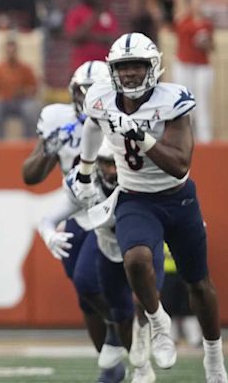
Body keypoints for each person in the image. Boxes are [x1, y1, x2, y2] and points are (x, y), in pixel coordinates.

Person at [73, 32, 227, 382]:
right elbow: (93, 127)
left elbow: (179, 164)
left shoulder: (172, 100)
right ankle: (159, 322)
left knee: (199, 284)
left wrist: (139, 134)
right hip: (135, 197)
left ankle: (214, 359)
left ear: (152, 67)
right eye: (123, 67)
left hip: (178, 198)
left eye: (136, 66)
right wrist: (84, 170)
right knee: (136, 259)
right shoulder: (99, 96)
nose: (128, 74)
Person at [23, 61, 127, 383]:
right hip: (76, 212)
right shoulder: (59, 119)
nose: (88, 98)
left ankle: (124, 324)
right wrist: (49, 148)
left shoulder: (119, 117)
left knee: (86, 281)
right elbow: (30, 176)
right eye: (83, 91)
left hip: (112, 211)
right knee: (85, 298)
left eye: (95, 92)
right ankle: (111, 364)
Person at [39, 140, 164, 382]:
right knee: (88, 285)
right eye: (106, 163)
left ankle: (156, 338)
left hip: (144, 243)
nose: (112, 171)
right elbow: (48, 219)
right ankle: (132, 354)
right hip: (107, 243)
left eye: (115, 163)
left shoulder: (144, 176)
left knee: (145, 302)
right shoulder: (83, 181)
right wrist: (48, 233)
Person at [172, 0, 215, 143]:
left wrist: (205, 42)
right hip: (185, 65)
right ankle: (186, 138)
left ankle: (204, 139)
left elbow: (211, 47)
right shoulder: (183, 21)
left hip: (201, 66)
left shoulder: (207, 24)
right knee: (185, 103)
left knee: (202, 103)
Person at [0, 38, 40, 140]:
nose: (11, 54)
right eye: (9, 51)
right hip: (3, 101)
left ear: (17, 51)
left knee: (31, 108)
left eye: (13, 51)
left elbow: (34, 88)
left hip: (22, 102)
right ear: (5, 51)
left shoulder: (25, 68)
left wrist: (24, 92)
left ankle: (28, 141)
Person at [160, 243, 203, 347]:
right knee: (167, 308)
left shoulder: (184, 232)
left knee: (188, 307)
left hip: (185, 274)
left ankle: (195, 339)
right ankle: (170, 339)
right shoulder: (159, 236)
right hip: (166, 275)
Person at [64, 0, 118, 70]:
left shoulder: (108, 14)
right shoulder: (76, 12)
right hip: (82, 66)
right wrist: (95, 16)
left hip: (104, 66)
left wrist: (88, 37)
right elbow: (75, 37)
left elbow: (112, 38)